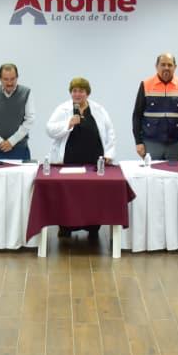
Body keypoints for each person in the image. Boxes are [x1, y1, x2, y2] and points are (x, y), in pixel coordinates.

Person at [46, 77, 117, 238]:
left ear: (87, 93)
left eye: (81, 91)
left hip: (93, 159)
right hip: (69, 160)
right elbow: (49, 129)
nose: (77, 94)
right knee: (69, 194)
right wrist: (68, 123)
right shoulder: (63, 109)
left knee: (92, 194)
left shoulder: (98, 109)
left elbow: (110, 132)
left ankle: (93, 226)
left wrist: (109, 154)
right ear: (71, 93)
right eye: (74, 91)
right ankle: (66, 226)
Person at [131, 53, 178, 162]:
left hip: (175, 144)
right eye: (163, 64)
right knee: (151, 172)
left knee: (175, 173)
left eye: (169, 65)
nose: (166, 68)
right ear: (156, 66)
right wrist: (138, 142)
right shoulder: (146, 84)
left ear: (175, 67)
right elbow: (137, 116)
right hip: (151, 143)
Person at [0, 63, 34, 160]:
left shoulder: (26, 93)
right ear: (0, 79)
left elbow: (30, 120)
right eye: (6, 79)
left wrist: (11, 141)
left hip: (19, 149)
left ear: (17, 77)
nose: (9, 83)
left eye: (12, 79)